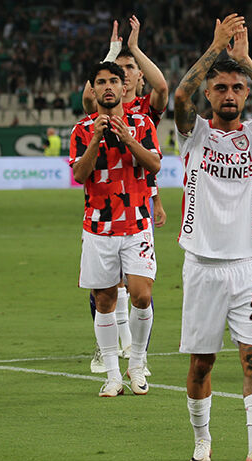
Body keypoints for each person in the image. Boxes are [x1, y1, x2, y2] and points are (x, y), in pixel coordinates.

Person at [173, 14, 252, 461]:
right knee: (202, 365)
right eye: (220, 88)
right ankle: (202, 437)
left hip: (247, 266)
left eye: (236, 88)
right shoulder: (192, 134)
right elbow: (180, 95)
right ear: (209, 95)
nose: (229, 95)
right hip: (202, 266)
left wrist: (245, 62)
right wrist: (213, 49)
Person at [69, 61, 162, 397]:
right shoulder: (81, 130)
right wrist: (96, 140)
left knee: (142, 295)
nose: (107, 87)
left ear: (124, 87)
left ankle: (136, 363)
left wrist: (128, 139)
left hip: (137, 223)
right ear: (92, 90)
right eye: (100, 82)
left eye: (113, 81)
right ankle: (111, 374)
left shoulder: (142, 123)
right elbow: (79, 175)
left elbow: (154, 164)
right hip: (98, 227)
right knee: (105, 300)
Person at [84, 17, 170, 372]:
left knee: (137, 284)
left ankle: (135, 349)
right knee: (106, 286)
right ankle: (110, 347)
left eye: (128, 69)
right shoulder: (100, 110)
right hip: (103, 203)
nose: (124, 73)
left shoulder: (145, 112)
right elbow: (89, 94)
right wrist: (112, 52)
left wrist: (134, 49)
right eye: (115, 72)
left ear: (135, 77)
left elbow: (163, 86)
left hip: (137, 203)